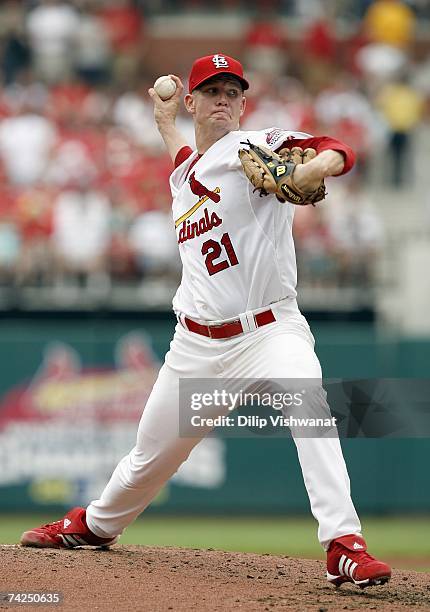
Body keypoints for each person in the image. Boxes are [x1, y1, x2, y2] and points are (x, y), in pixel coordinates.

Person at [20, 53, 391, 589]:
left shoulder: (255, 144)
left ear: (244, 104)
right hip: (196, 345)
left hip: (269, 330)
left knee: (311, 404)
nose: (224, 99)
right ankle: (96, 526)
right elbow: (184, 165)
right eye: (212, 91)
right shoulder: (187, 173)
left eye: (233, 92)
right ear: (193, 100)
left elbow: (338, 147)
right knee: (149, 457)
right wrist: (164, 122)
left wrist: (314, 169)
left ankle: (343, 542)